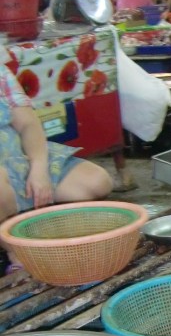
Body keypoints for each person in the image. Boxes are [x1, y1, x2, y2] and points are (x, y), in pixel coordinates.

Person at [0, 63, 113, 269]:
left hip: (19, 158)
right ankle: (16, 251)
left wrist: (38, 169)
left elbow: (28, 124)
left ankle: (44, 233)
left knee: (97, 182)